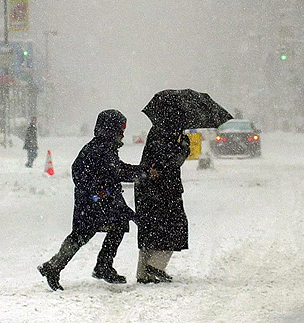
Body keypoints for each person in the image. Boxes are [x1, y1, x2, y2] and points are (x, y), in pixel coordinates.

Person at [38, 109, 150, 291]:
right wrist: (96, 191)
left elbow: (112, 170)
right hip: (93, 202)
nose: (123, 134)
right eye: (121, 130)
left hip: (94, 201)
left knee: (95, 231)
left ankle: (65, 266)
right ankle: (92, 266)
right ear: (111, 130)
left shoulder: (101, 146)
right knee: (88, 233)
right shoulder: (101, 148)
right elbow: (116, 171)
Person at [134, 125, 191, 284]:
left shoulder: (157, 129)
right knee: (175, 226)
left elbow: (156, 158)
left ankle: (143, 272)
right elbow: (170, 163)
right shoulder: (170, 133)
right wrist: (184, 148)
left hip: (146, 187)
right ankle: (155, 266)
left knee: (149, 229)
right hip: (165, 189)